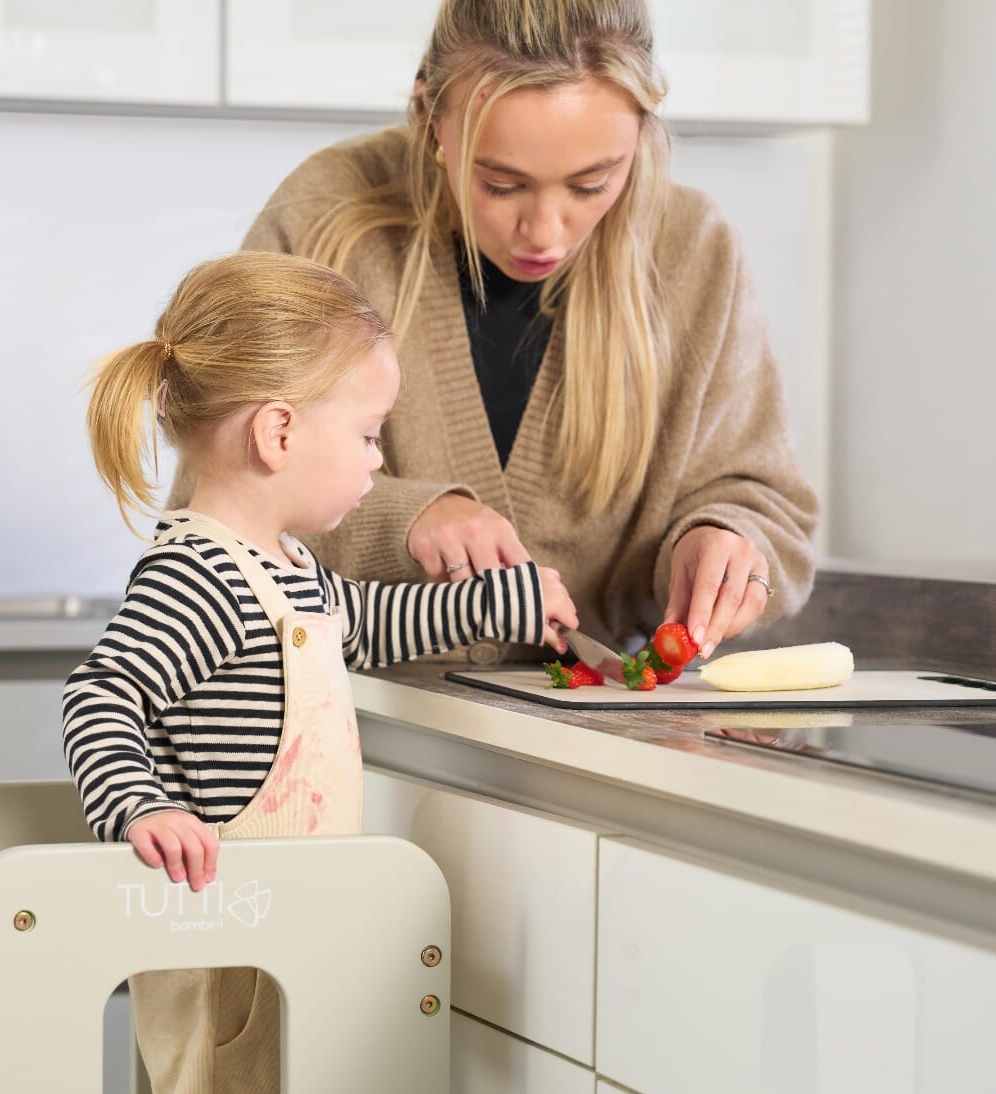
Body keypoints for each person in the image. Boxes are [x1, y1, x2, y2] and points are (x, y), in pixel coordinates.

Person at [62, 251, 576, 1094]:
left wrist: (496, 601)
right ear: (279, 432)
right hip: (227, 953)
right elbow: (100, 696)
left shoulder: (284, 564)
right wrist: (138, 806)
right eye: (372, 433)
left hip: (281, 931)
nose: (381, 461)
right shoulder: (196, 578)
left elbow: (368, 623)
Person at [168, 0, 819, 668]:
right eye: (501, 183)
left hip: (595, 741)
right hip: (349, 731)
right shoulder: (323, 217)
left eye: (593, 183)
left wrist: (723, 538)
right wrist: (407, 520)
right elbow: (209, 498)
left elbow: (765, 504)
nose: (545, 232)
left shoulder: (696, 252)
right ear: (432, 119)